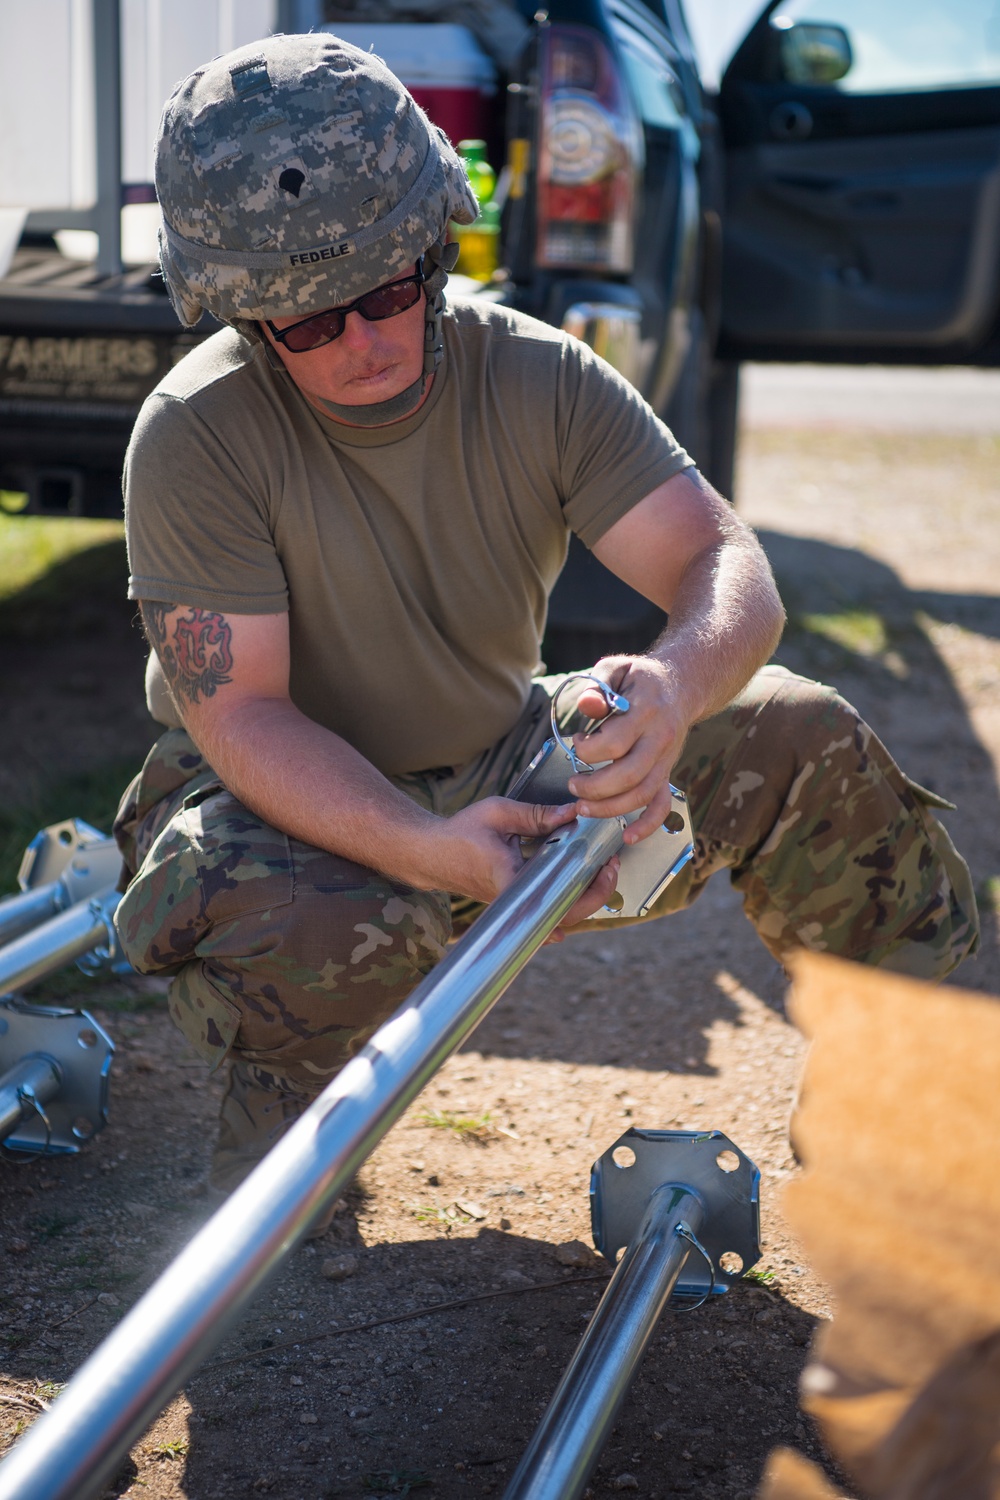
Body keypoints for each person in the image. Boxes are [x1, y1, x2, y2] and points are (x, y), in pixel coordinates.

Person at [112, 33, 977, 1197]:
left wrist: (672, 686)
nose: (362, 342)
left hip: (496, 751)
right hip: (269, 798)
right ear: (242, 315)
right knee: (295, 923)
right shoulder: (194, 432)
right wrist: (422, 849)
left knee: (800, 728)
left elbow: (721, 558)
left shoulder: (535, 373)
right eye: (308, 323)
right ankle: (290, 1144)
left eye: (383, 292)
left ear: (431, 247)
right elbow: (248, 715)